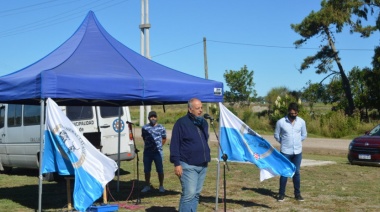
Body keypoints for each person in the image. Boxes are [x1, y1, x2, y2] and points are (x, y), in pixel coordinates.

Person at [170, 98, 211, 211]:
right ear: (190, 109)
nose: (200, 110)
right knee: (189, 194)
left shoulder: (203, 123)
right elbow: (174, 144)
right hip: (188, 164)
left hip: (202, 164)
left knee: (196, 194)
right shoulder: (181, 123)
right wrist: (177, 163)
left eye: (201, 107)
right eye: (197, 108)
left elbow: (204, 139)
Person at [274, 102, 307, 202]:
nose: (294, 116)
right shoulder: (281, 122)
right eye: (292, 113)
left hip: (297, 152)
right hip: (285, 152)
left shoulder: (301, 122)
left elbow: (304, 134)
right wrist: (283, 142)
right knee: (284, 173)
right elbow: (276, 135)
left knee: (296, 173)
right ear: (288, 112)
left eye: (295, 114)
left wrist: (297, 142)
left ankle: (297, 194)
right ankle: (281, 194)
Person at [141, 111, 167, 193]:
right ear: (148, 118)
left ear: (156, 118)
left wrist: (159, 146)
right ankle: (147, 185)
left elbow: (164, 138)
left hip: (158, 152)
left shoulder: (161, 127)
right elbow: (144, 137)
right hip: (147, 152)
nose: (153, 118)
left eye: (154, 117)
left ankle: (161, 186)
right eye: (151, 117)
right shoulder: (144, 128)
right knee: (147, 170)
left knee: (160, 170)